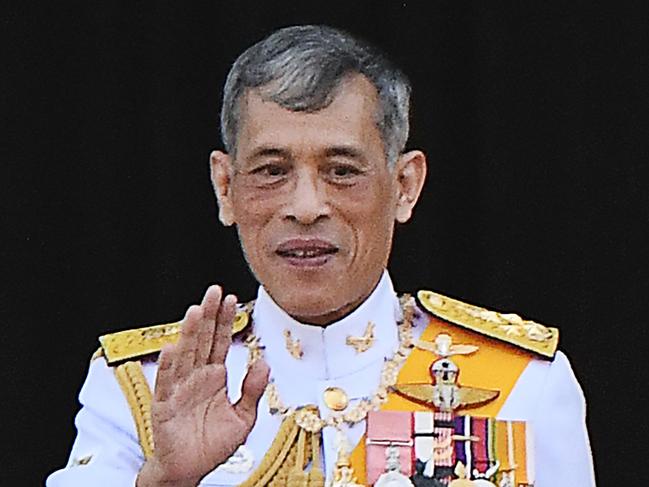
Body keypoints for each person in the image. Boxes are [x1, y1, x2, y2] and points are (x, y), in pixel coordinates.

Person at [47, 25, 595, 487]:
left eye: (342, 171)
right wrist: (165, 481)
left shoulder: (524, 383)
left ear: (405, 185)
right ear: (224, 187)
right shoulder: (142, 389)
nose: (306, 207)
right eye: (271, 170)